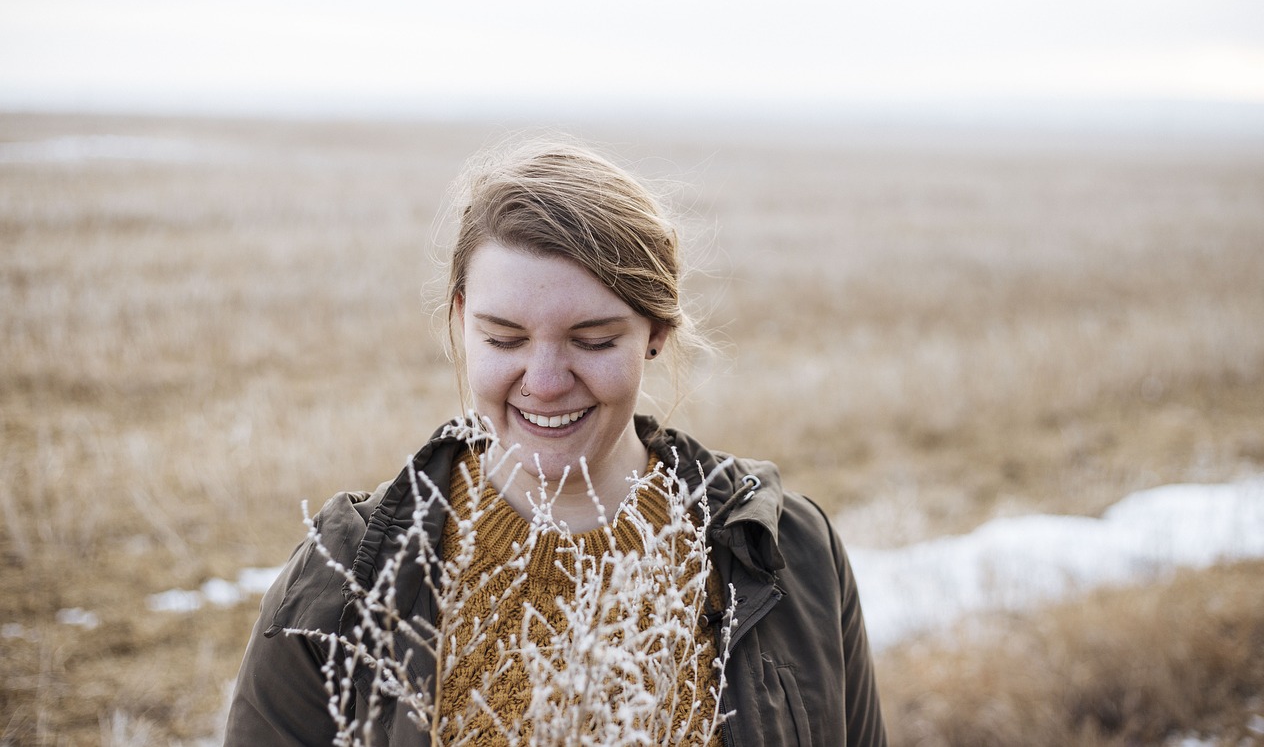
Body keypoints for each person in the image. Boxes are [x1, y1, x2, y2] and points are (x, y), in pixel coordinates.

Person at [224, 138, 887, 746]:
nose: (544, 382)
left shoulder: (792, 554)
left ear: (654, 330)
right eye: (504, 338)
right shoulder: (342, 584)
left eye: (592, 340)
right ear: (460, 319)